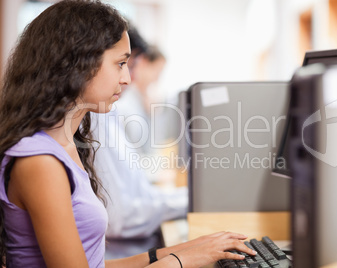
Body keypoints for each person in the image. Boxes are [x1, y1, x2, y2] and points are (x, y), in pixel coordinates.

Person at [0, 0, 256, 267]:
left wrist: (187, 249)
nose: (127, 79)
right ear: (79, 63)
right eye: (120, 64)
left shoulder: (67, 145)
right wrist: (181, 260)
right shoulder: (40, 161)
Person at [92, 25, 187, 258]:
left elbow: (138, 191)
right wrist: (189, 202)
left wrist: (192, 199)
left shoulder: (108, 113)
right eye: (123, 64)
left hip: (139, 247)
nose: (128, 78)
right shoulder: (94, 121)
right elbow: (119, 217)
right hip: (127, 254)